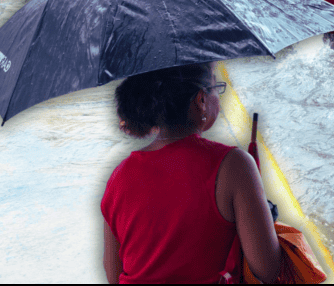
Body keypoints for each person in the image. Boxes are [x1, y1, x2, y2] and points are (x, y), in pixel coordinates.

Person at [101, 63, 281, 284]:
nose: (219, 98)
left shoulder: (119, 177)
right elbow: (267, 269)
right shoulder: (235, 165)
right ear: (201, 100)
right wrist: (265, 218)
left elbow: (113, 275)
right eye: (216, 87)